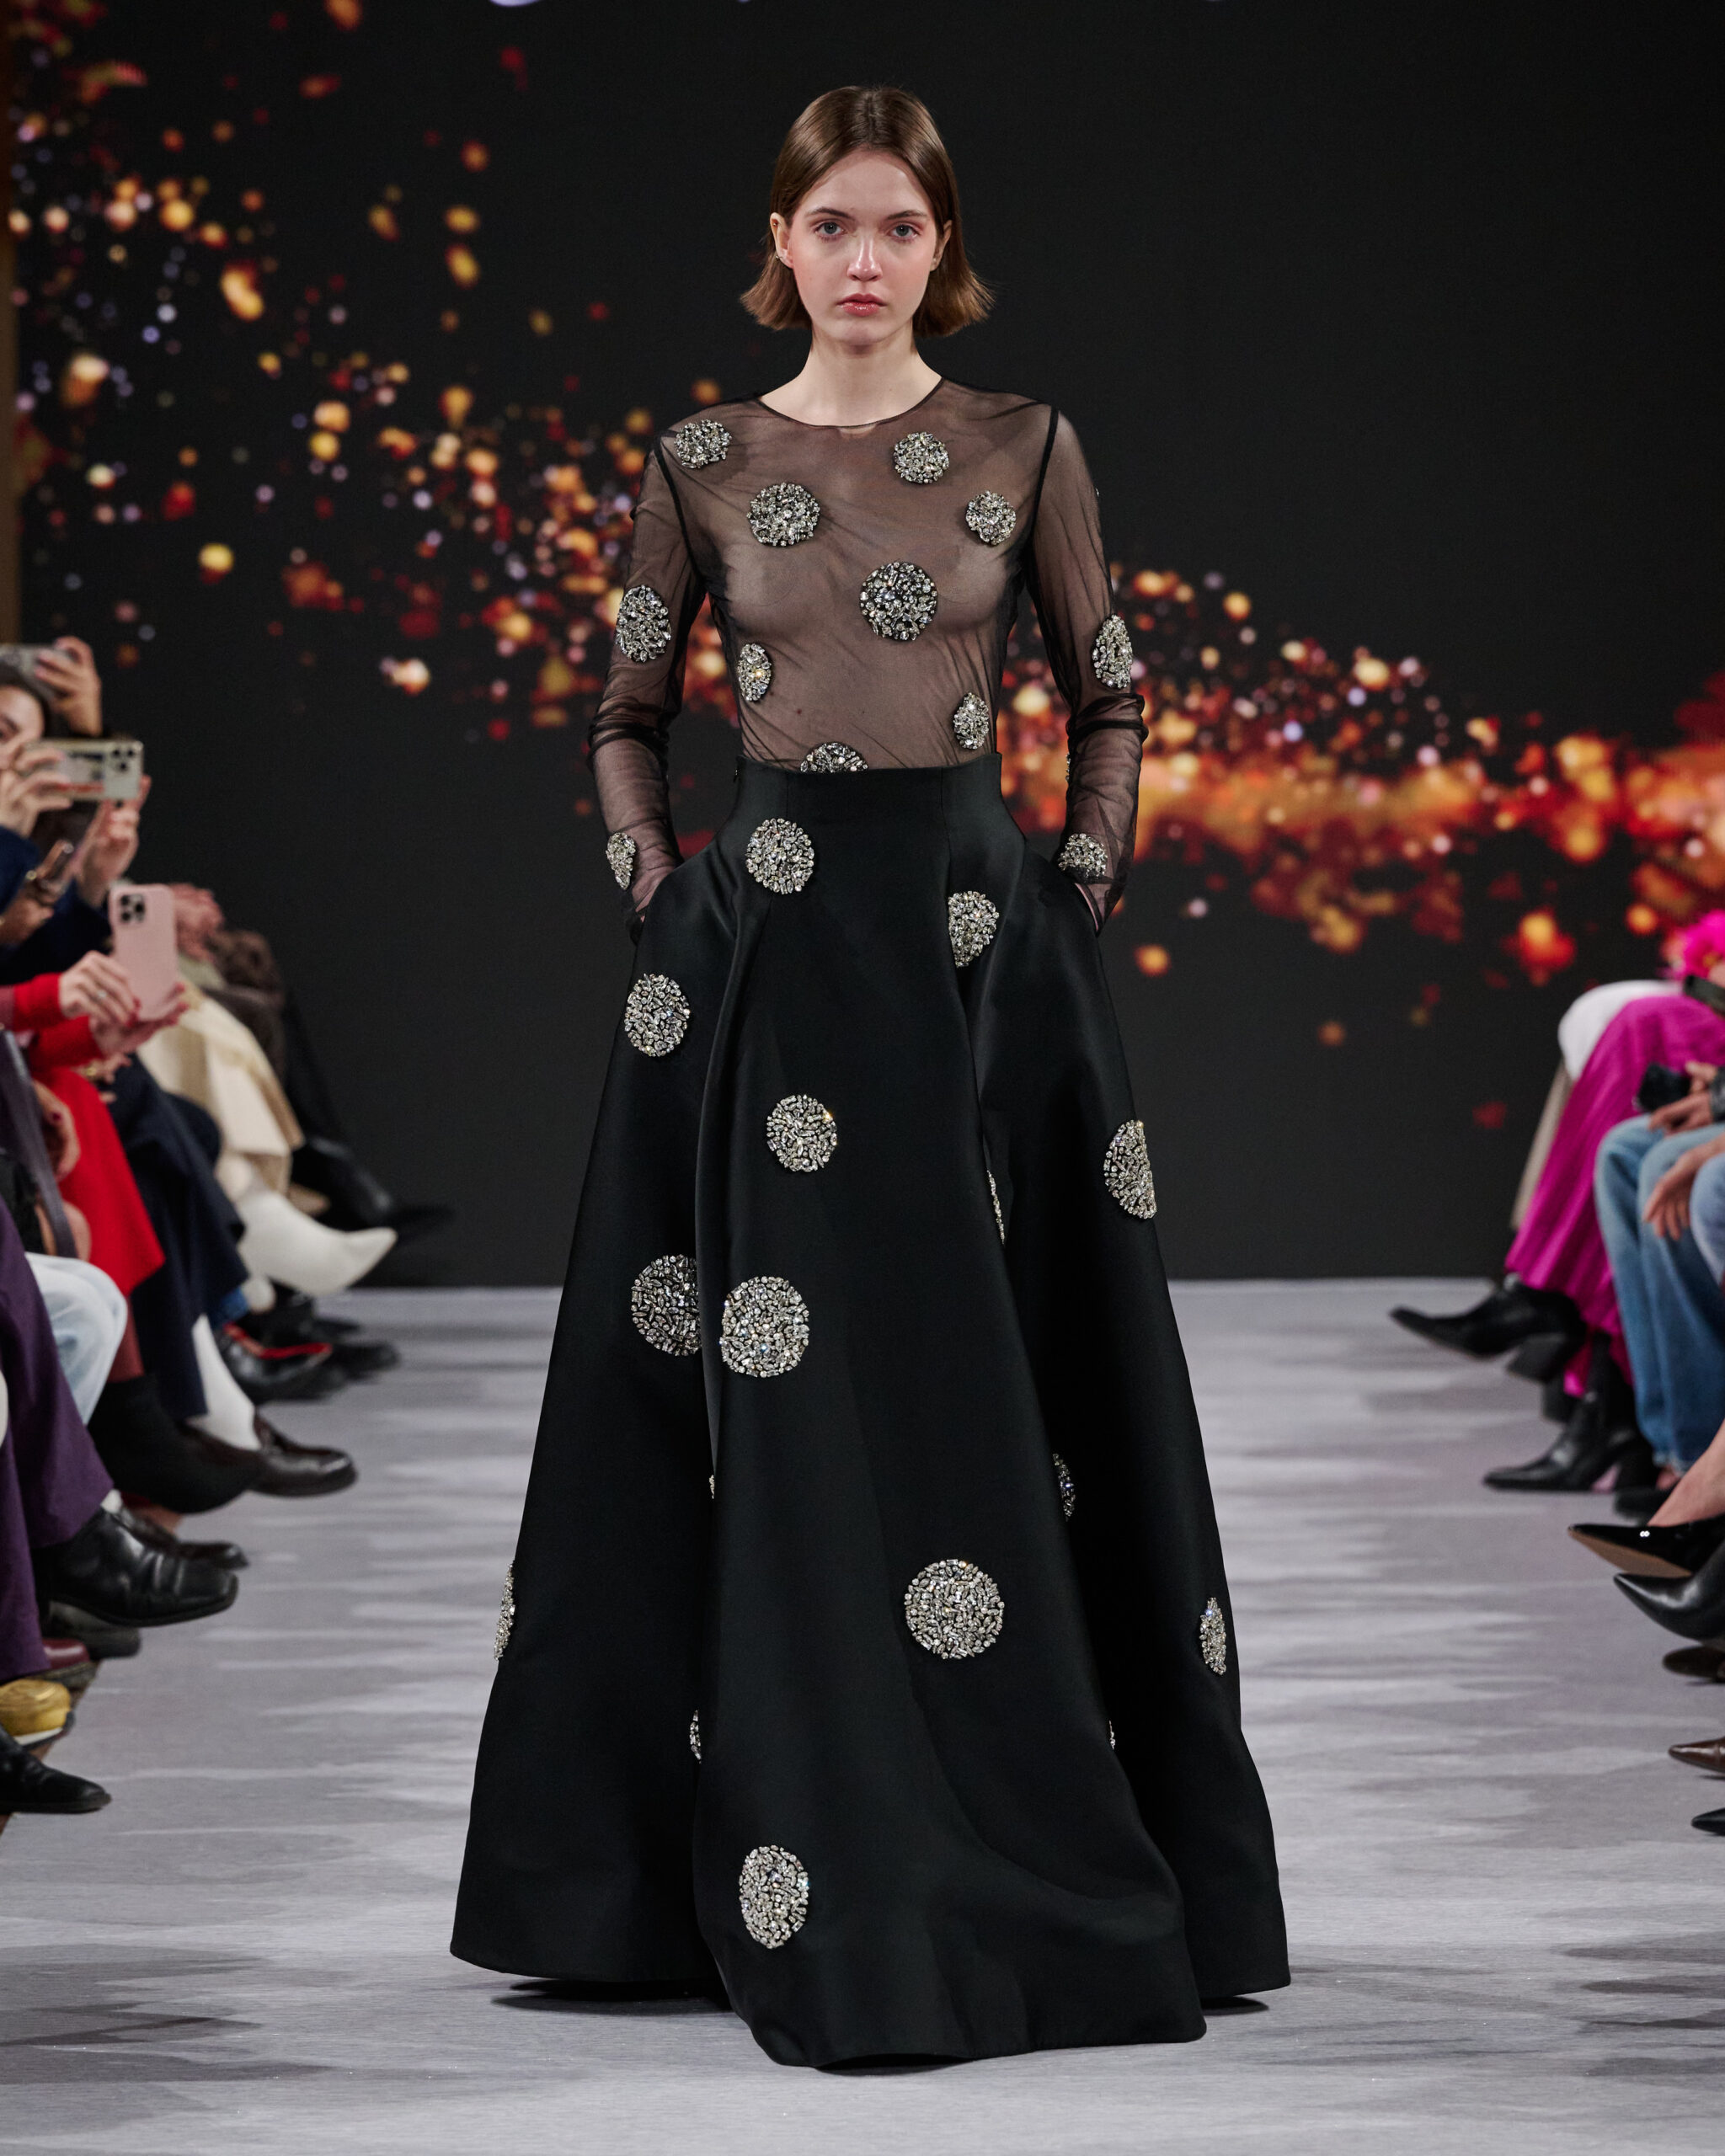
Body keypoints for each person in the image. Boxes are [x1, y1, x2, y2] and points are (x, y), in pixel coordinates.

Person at [453, 86, 1285, 2067]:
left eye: (898, 226)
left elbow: (1110, 692)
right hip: (764, 968)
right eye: (830, 222)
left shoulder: (1023, 445)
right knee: (770, 1400)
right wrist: (661, 893)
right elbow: (626, 707)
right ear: (781, 238)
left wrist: (1075, 891)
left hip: (975, 963)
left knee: (1005, 1378)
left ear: (940, 246)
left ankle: (1027, 1827)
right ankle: (737, 1847)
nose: (862, 259)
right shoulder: (702, 456)